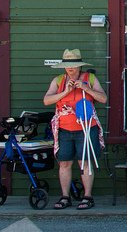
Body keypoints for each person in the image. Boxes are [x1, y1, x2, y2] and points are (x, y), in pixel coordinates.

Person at [43, 48, 107, 210]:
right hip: (65, 129)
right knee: (64, 163)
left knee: (84, 162)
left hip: (86, 127)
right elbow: (47, 101)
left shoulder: (90, 78)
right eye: (67, 65)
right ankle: (65, 196)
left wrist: (86, 88)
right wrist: (66, 91)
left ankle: (87, 196)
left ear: (80, 66)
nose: (70, 68)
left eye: (74, 65)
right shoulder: (58, 81)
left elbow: (103, 98)